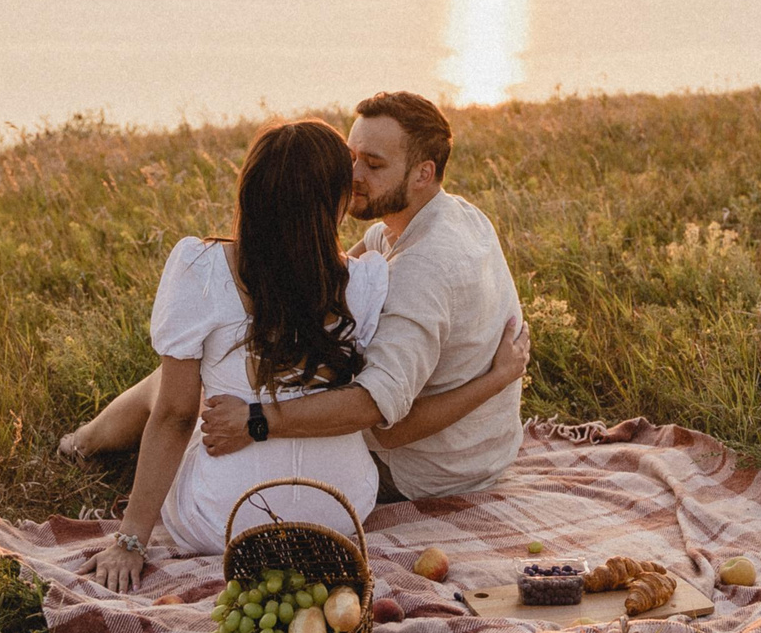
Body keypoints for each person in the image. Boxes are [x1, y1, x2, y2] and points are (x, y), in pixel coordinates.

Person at [81, 117, 525, 592]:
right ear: (333, 203)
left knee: (176, 391)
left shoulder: (198, 264)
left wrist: (129, 541)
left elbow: (174, 416)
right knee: (211, 379)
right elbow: (343, 265)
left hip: (225, 524)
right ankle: (83, 440)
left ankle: (81, 443)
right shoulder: (371, 279)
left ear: (249, 193)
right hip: (341, 513)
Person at [194, 90, 527, 500]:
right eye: (351, 157)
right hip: (484, 449)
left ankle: (98, 445)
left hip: (422, 472)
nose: (353, 174)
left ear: (423, 174)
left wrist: (256, 419)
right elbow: (326, 275)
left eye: (373, 165)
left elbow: (383, 420)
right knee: (213, 366)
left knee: (207, 400)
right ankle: (90, 441)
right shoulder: (446, 215)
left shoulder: (423, 271)